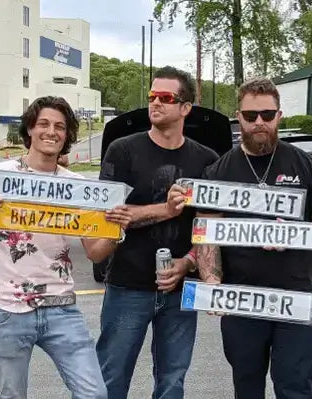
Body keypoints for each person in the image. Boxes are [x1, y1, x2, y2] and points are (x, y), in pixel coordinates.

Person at [167, 77, 312, 399]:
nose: (259, 122)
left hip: (296, 297)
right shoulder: (220, 170)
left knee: (296, 386)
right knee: (247, 387)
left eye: (267, 114)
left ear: (279, 115)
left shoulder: (305, 165)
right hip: (241, 301)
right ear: (239, 117)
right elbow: (206, 232)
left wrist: (301, 234)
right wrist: (211, 282)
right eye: (250, 116)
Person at [0, 96, 132, 399]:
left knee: (95, 394)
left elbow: (94, 253)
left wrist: (116, 232)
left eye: (60, 127)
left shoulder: (78, 187)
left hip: (61, 307)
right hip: (7, 309)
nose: (52, 132)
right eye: (44, 124)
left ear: (67, 136)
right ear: (30, 130)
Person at [94, 66, 219, 399]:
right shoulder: (122, 150)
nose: (156, 103)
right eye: (152, 96)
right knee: (110, 378)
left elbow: (209, 227)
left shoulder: (206, 160)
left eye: (166, 97)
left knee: (172, 382)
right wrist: (164, 210)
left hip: (180, 291)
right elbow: (107, 218)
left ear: (185, 108)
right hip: (126, 286)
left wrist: (188, 263)